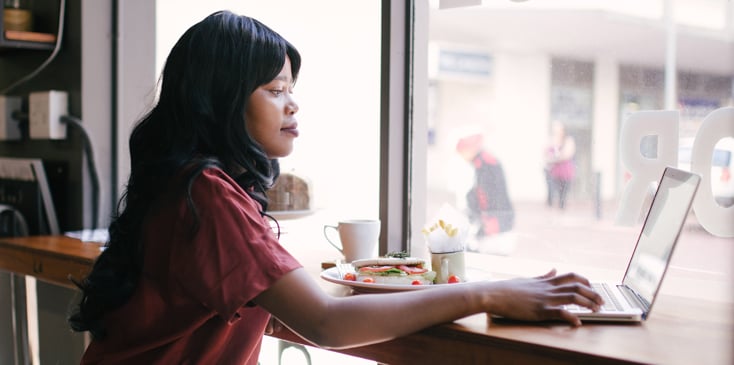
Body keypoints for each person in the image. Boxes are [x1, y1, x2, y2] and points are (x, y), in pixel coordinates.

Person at [68, 11, 603, 364]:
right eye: (275, 89)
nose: (293, 104)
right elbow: (325, 323)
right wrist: (490, 292)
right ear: (222, 100)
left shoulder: (183, 182)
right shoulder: (209, 193)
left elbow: (282, 306)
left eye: (292, 89)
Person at [456, 133, 515, 239]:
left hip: (497, 215)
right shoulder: (481, 161)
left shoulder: (485, 162)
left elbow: (490, 193)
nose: (462, 156)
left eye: (462, 152)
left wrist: (487, 219)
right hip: (493, 215)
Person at [544, 121, 576, 210]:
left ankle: (561, 210)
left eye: (558, 129)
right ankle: (553, 209)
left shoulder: (568, 140)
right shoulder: (551, 140)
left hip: (565, 171)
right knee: (553, 192)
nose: (557, 132)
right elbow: (545, 153)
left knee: (563, 194)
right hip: (553, 171)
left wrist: (553, 158)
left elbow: (567, 154)